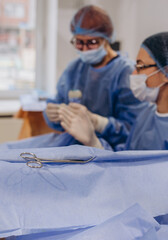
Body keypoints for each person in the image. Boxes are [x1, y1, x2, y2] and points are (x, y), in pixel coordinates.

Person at [58, 32, 168, 239]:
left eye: (140, 66)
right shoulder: (146, 115)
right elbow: (128, 164)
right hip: (134, 216)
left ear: (167, 72)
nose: (133, 73)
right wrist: (93, 140)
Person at [43, 5, 145, 148]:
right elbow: (58, 101)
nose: (84, 49)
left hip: (111, 151)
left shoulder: (125, 72)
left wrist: (99, 123)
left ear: (107, 39)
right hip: (74, 146)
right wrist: (52, 114)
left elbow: (135, 129)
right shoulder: (74, 69)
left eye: (91, 42)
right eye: (79, 42)